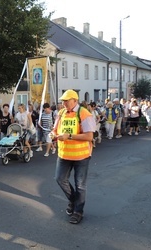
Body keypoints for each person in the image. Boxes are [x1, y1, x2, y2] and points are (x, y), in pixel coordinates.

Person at [51, 89, 96, 224]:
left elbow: (89, 136)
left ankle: (78, 212)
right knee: (60, 179)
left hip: (81, 156)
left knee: (80, 185)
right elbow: (55, 129)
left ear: (74, 101)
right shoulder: (61, 113)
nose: (63, 103)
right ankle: (74, 201)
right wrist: (53, 135)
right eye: (62, 101)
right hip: (64, 154)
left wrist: (69, 136)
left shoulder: (84, 113)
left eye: (66, 101)